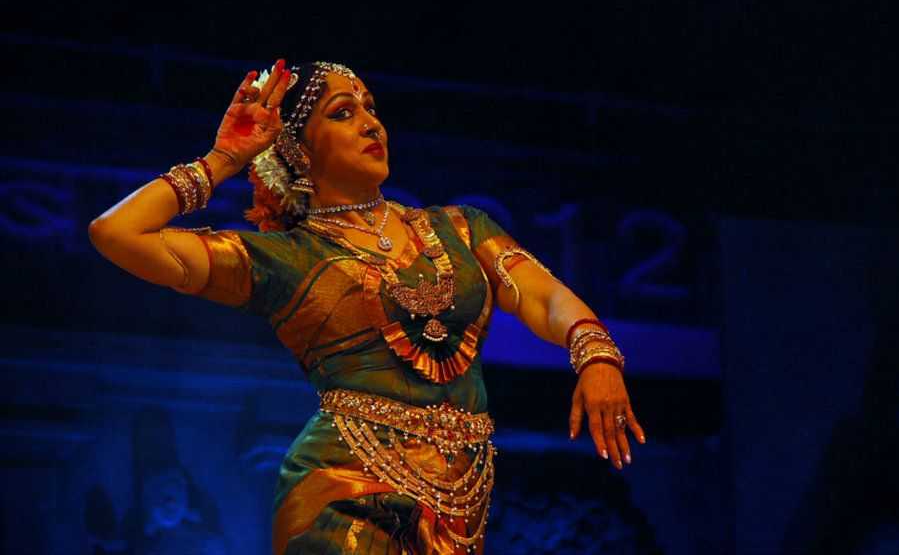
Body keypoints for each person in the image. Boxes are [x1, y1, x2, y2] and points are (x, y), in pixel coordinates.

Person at [89, 59, 647, 554]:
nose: (371, 122)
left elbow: (544, 296)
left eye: (371, 108)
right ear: (298, 151)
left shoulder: (460, 229)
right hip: (342, 488)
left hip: (459, 500)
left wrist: (594, 353)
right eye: (342, 112)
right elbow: (117, 233)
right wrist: (223, 159)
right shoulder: (285, 259)